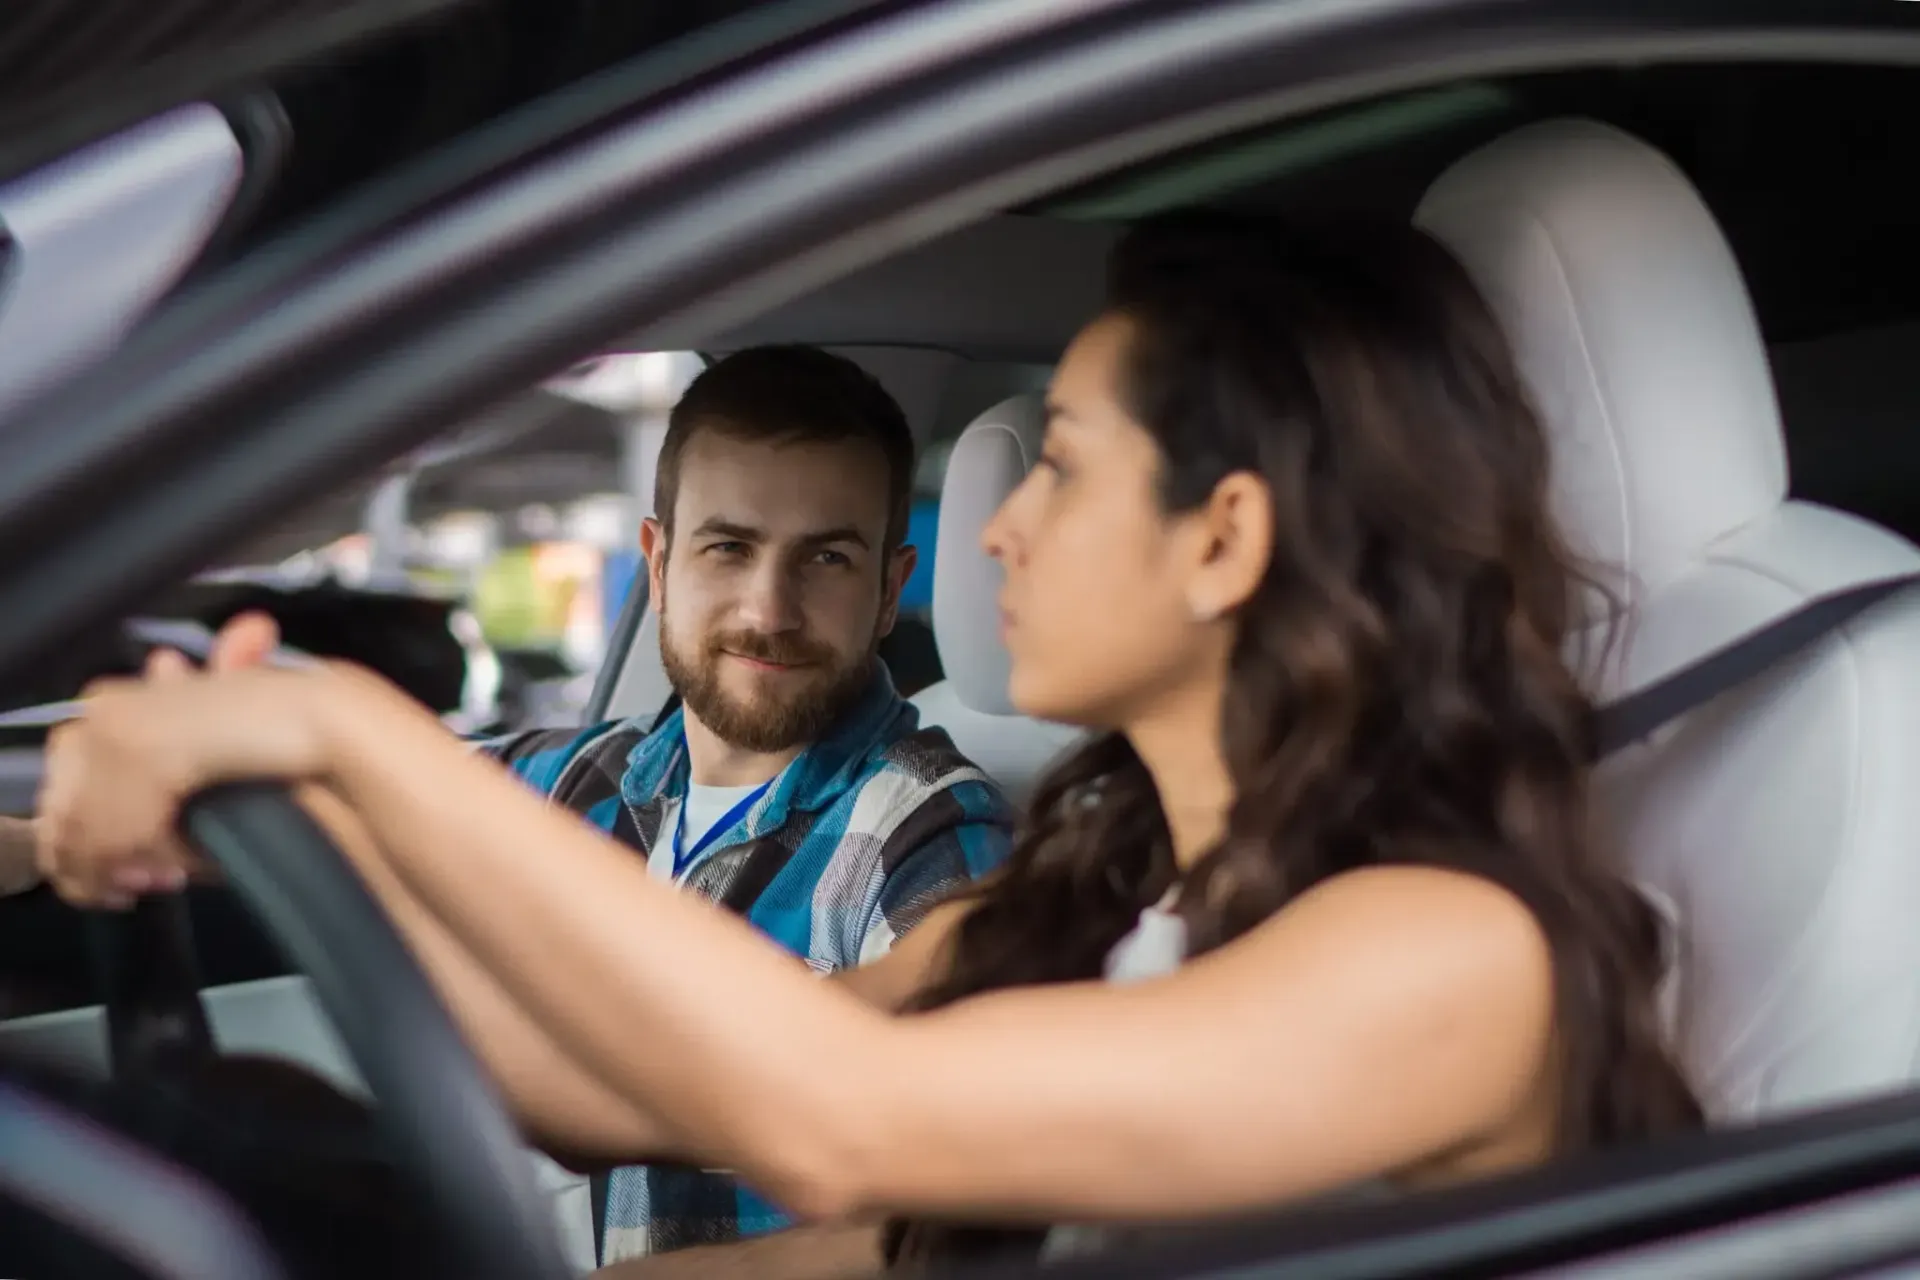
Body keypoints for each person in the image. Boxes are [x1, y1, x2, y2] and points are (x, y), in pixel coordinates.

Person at [33, 214, 1703, 1275]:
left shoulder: (1451, 959)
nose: (996, 534)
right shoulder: (1091, 895)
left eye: (1057, 463)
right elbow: (637, 1107)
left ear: (1224, 539)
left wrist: (335, 726)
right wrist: (295, 808)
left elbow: (826, 1114)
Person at [8, 345, 1016, 1274]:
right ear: (658, 561)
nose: (768, 607)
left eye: (827, 559)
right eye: (728, 547)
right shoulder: (581, 776)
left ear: (891, 590)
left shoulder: (931, 829)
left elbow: (918, 1214)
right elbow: (351, 816)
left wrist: (337, 733)